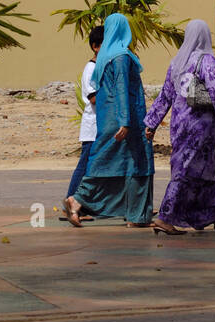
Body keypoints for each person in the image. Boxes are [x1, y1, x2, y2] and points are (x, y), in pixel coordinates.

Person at [144, 19, 215, 235]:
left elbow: (165, 96)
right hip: (201, 128)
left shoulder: (177, 62)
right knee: (188, 171)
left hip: (180, 126)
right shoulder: (206, 61)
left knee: (199, 171)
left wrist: (151, 122)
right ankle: (165, 217)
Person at [64, 13, 154, 228]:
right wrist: (125, 121)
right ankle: (78, 200)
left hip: (109, 119)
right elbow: (122, 90)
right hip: (127, 118)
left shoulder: (104, 58)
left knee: (112, 163)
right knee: (139, 163)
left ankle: (135, 216)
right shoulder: (121, 56)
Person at [64, 25, 104, 208]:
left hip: (101, 126)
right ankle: (71, 200)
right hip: (93, 126)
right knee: (85, 166)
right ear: (96, 46)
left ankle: (84, 204)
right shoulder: (91, 69)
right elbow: (94, 97)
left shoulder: (100, 68)